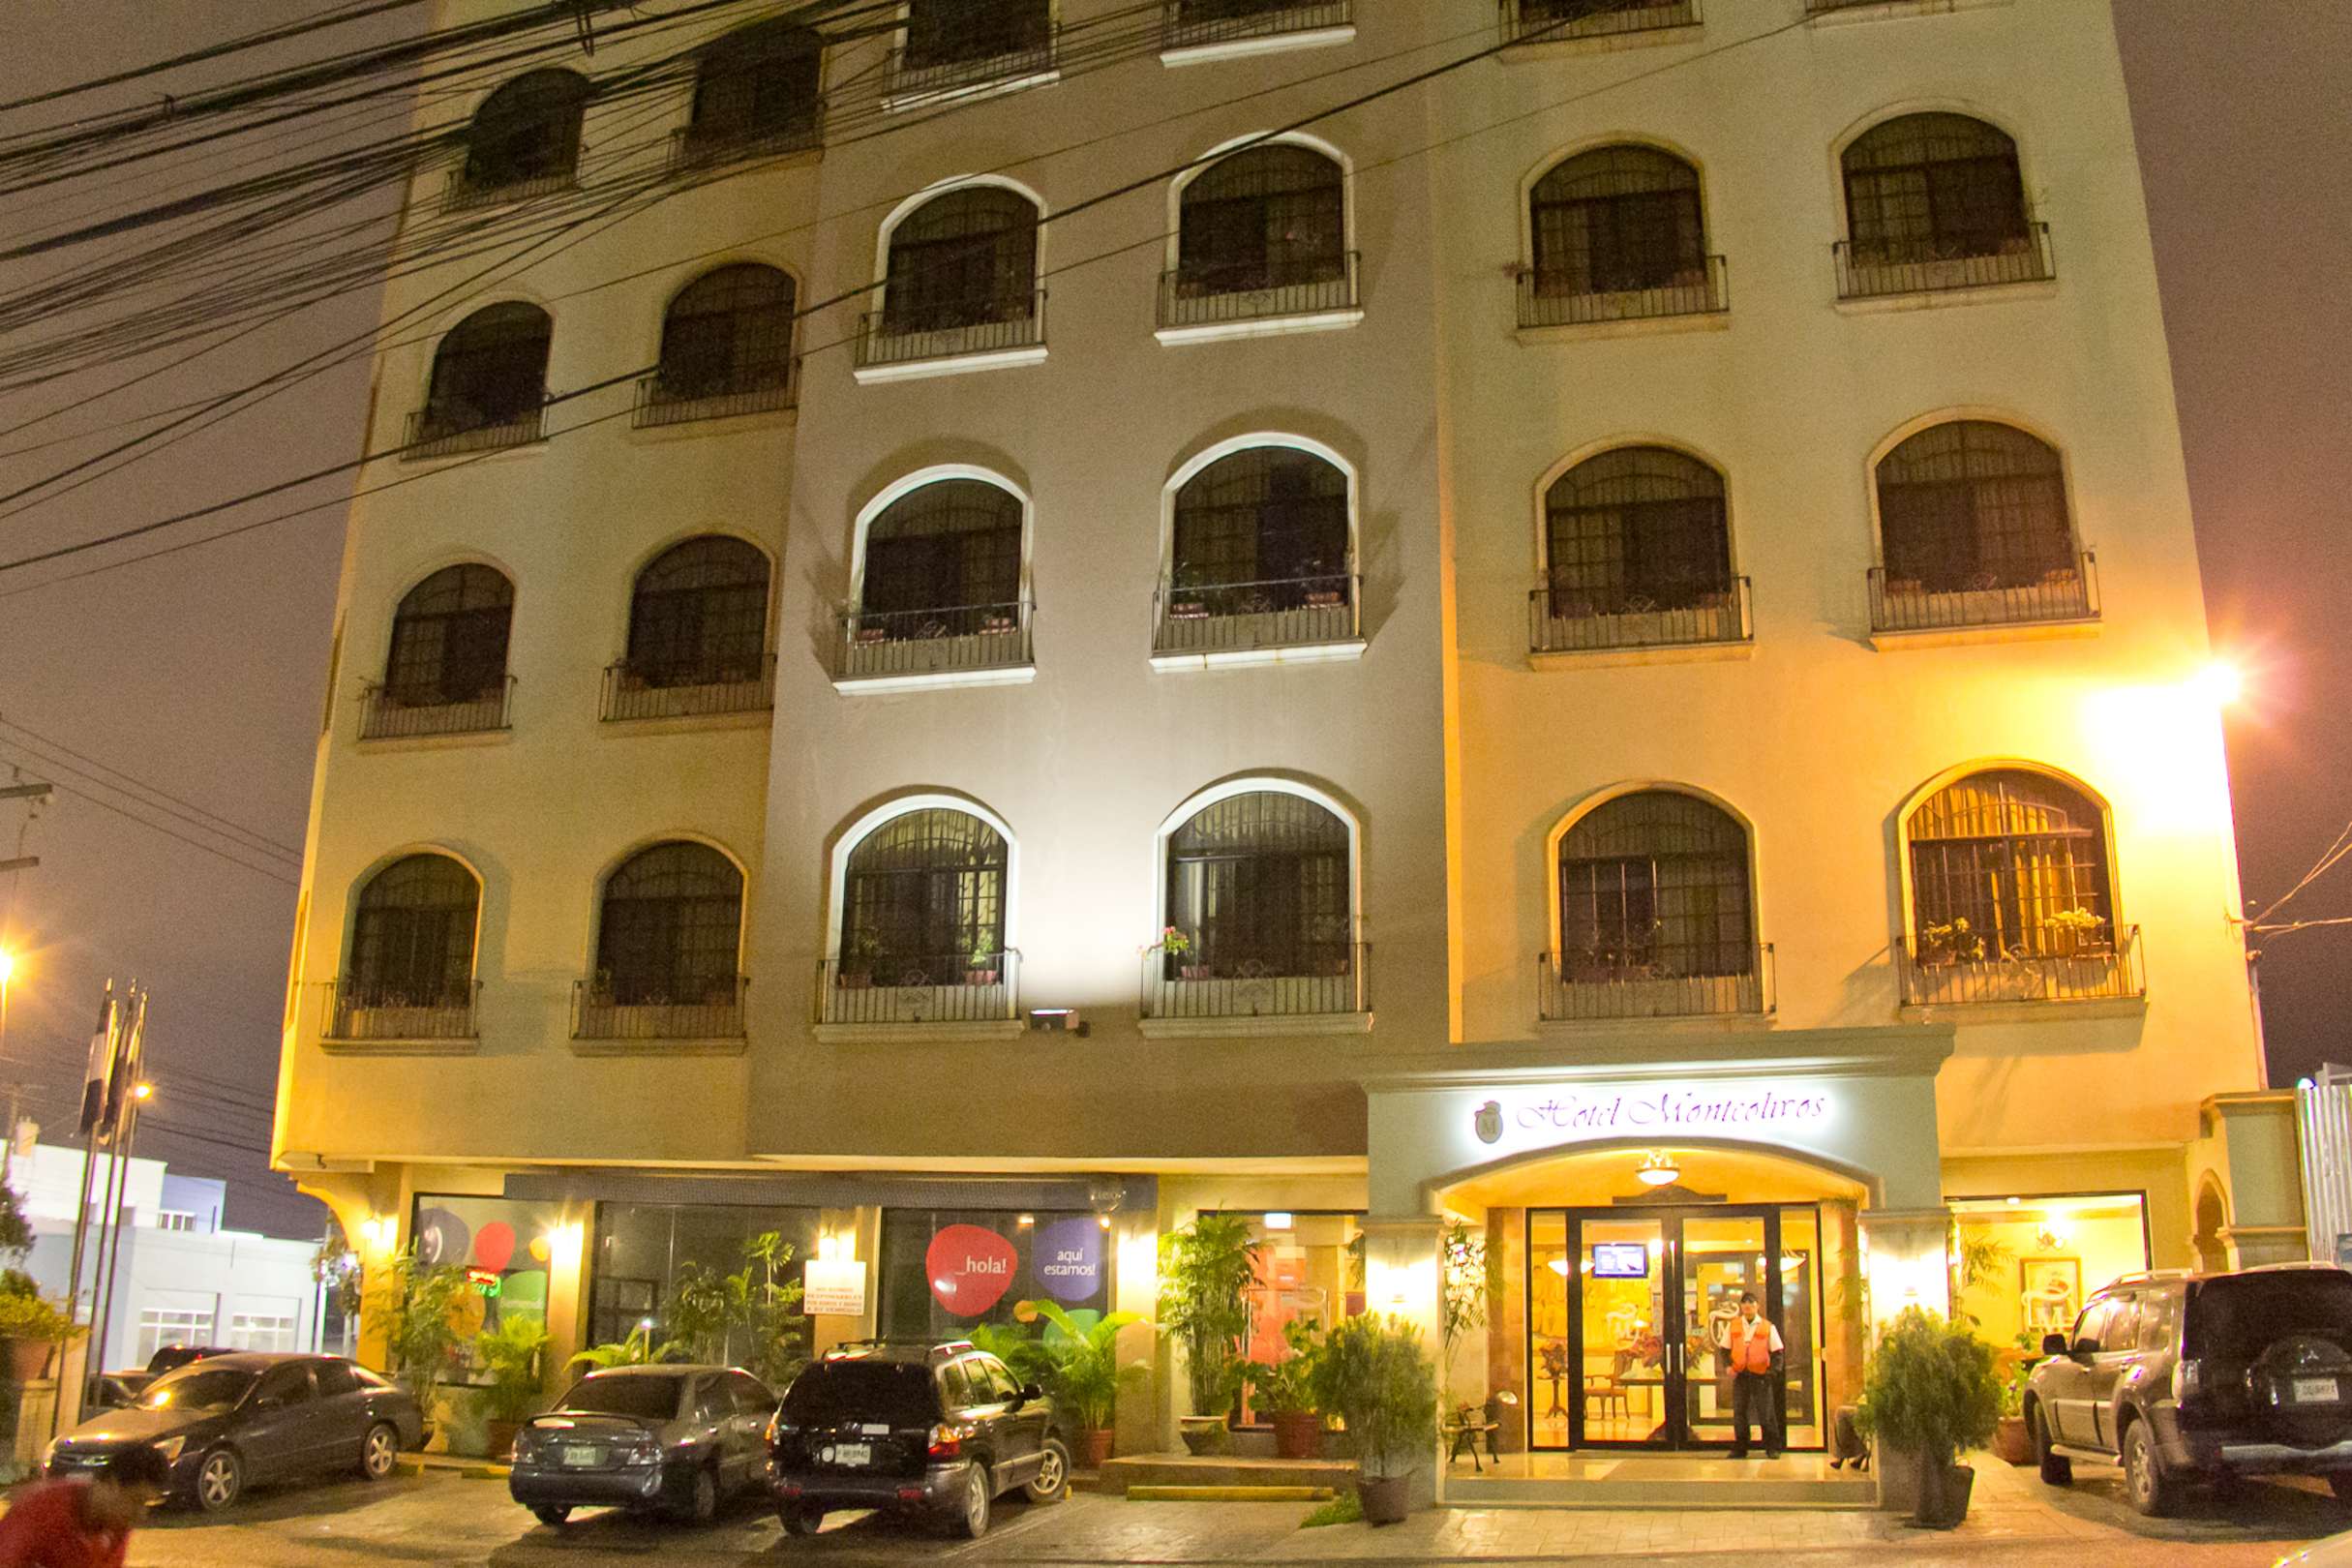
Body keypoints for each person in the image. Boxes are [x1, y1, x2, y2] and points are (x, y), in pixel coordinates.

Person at [0, 1445, 169, 1567]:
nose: (140, 1515)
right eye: (136, 1500)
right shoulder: (42, 1509)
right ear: (111, 1484)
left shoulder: (115, 1525)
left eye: (147, 1504)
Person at [1725, 1291, 1784, 1460]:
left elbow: (1777, 1352)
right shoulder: (1733, 1325)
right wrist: (1728, 1366)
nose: (1748, 1306)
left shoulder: (1767, 1326)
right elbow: (1724, 1348)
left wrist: (1772, 1373)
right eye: (1745, 1303)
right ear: (1741, 1306)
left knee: (1766, 1413)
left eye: (1751, 1303)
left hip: (1761, 1376)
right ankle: (1741, 1448)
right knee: (1740, 1413)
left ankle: (1772, 1448)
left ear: (1757, 1306)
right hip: (1741, 1375)